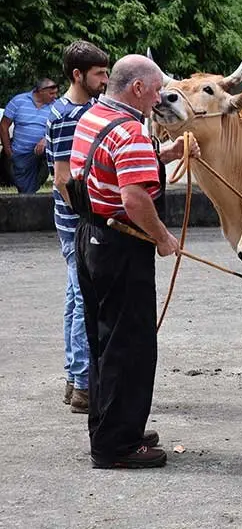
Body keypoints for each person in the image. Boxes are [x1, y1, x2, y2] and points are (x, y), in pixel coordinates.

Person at [69, 54, 197, 469]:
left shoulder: (93, 115)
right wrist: (163, 238)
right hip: (123, 244)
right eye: (157, 88)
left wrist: (169, 152)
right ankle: (117, 447)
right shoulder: (132, 133)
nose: (160, 96)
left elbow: (108, 169)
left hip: (91, 236)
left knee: (104, 340)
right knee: (131, 345)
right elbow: (134, 197)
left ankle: (111, 426)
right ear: (138, 88)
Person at [46, 40, 109, 414]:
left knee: (75, 298)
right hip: (76, 222)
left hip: (67, 221)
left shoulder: (68, 110)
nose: (104, 80)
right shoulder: (73, 117)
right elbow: (63, 178)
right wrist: (90, 218)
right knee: (86, 299)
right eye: (99, 74)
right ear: (77, 74)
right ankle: (84, 384)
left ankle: (76, 379)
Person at [1, 78, 60, 193]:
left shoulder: (56, 106)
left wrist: (45, 139)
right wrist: (8, 150)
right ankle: (26, 205)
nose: (55, 96)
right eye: (51, 93)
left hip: (42, 155)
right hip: (19, 153)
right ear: (40, 91)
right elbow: (3, 126)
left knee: (31, 186)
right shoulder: (18, 101)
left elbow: (59, 129)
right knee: (25, 188)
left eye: (56, 93)